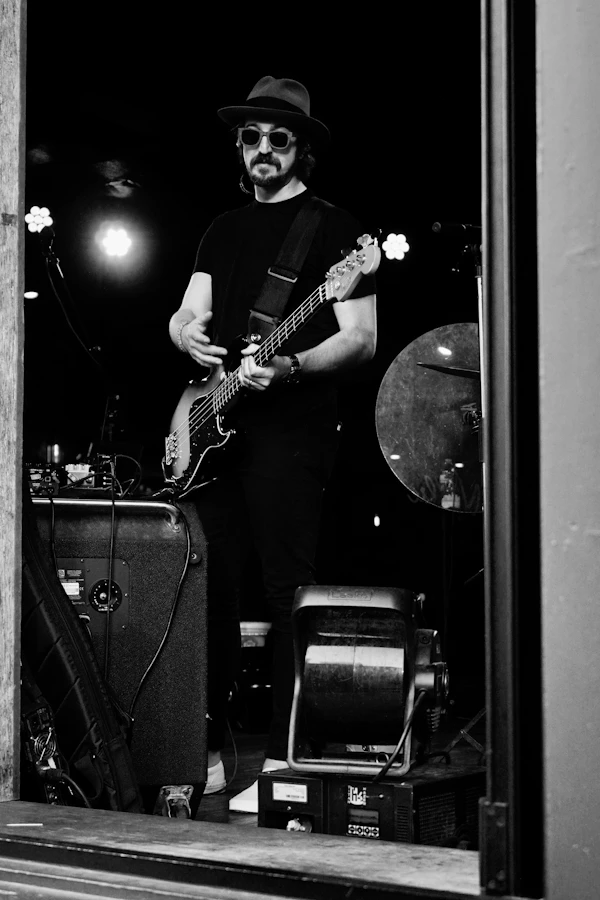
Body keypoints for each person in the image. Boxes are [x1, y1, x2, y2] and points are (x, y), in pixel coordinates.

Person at [168, 75, 377, 813]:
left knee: (288, 590)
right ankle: (213, 753)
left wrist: (290, 366)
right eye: (250, 136)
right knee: (207, 589)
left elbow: (361, 340)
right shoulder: (221, 228)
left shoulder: (336, 231)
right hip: (212, 424)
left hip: (294, 430)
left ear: (303, 151)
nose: (262, 148)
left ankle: (287, 762)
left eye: (278, 138)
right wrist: (183, 332)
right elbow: (187, 314)